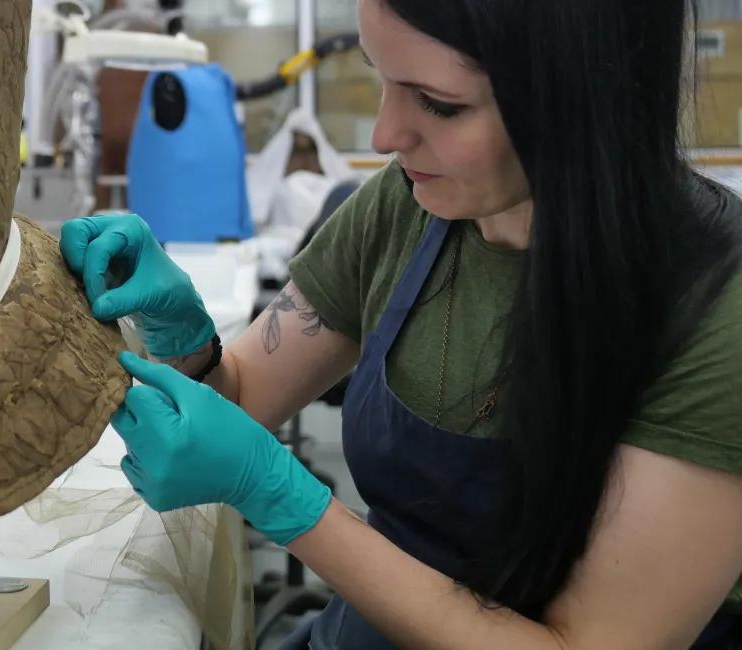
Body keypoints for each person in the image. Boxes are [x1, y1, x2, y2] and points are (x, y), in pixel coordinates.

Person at [59, 0, 742, 648]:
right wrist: (182, 339)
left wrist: (278, 495)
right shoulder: (412, 202)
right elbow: (239, 399)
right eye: (379, 76)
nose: (386, 136)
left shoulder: (715, 304)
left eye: (439, 104)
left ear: (585, 94)